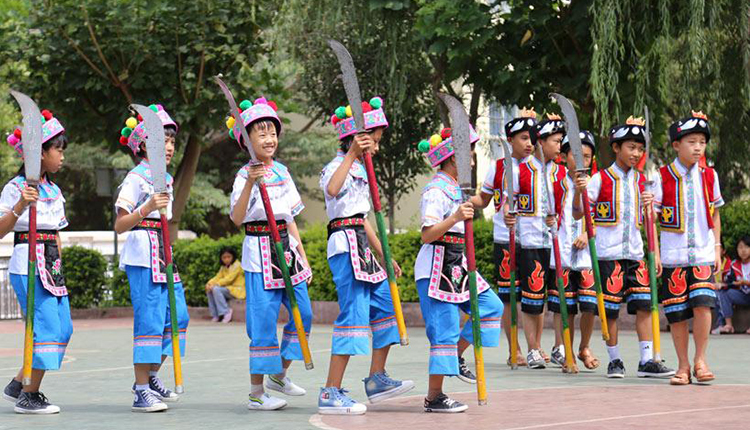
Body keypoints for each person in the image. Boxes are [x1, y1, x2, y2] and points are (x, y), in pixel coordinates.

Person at [318, 97, 413, 415]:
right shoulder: (336, 166)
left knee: (386, 305)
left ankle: (376, 379)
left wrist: (384, 255)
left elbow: (362, 219)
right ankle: (330, 391)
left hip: (362, 246)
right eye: (375, 139)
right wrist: (351, 154)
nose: (377, 145)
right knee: (354, 315)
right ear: (357, 138)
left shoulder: (361, 169)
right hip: (345, 246)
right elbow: (332, 190)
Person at [227, 97, 313, 411]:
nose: (269, 139)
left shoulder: (283, 172)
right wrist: (251, 183)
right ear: (247, 140)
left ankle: (279, 374)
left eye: (273, 133)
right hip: (259, 251)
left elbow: (290, 219)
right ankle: (256, 392)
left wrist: (303, 256)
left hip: (287, 252)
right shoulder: (243, 176)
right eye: (261, 133)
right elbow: (237, 218)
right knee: (263, 323)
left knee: (304, 314)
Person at [415, 127, 504, 412]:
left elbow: (483, 199)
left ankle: (455, 354)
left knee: (490, 306)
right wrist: (455, 217)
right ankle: (434, 397)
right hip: (435, 265)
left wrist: (504, 191)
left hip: (458, 262)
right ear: (454, 158)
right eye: (469, 154)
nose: (473, 160)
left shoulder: (457, 188)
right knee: (444, 329)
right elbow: (427, 235)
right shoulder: (435, 190)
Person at [114, 104, 189, 412]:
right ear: (144, 145)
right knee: (149, 320)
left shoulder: (166, 179)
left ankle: (152, 376)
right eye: (163, 141)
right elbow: (120, 224)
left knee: (178, 317)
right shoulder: (135, 178)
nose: (169, 147)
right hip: (142, 254)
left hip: (163, 253)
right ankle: (141, 389)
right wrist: (145, 208)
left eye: (172, 142)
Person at [587, 116, 674, 379]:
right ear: (616, 148)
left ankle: (647, 360)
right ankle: (615, 360)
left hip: (636, 255)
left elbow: (650, 222)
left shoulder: (644, 182)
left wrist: (655, 254)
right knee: (610, 311)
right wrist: (580, 195)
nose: (636, 153)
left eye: (640, 148)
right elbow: (580, 212)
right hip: (608, 255)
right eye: (631, 147)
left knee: (645, 305)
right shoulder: (599, 179)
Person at [1, 109, 71, 414]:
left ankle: (19, 383)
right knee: (47, 328)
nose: (62, 157)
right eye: (58, 150)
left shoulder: (54, 190)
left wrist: (60, 267)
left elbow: (55, 233)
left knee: (64, 328)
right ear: (40, 153)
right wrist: (20, 205)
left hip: (52, 266)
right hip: (27, 262)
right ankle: (29, 396)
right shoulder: (15, 188)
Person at [653, 111, 724, 385]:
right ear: (676, 145)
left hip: (702, 253)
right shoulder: (662, 177)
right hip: (674, 256)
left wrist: (716, 247)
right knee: (677, 313)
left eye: (702, 142)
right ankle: (683, 365)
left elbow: (715, 213)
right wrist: (655, 254)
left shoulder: (709, 175)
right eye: (691, 142)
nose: (697, 148)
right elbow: (651, 219)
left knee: (704, 305)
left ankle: (700, 360)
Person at [471, 108, 536, 367]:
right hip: (504, 238)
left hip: (534, 239)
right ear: (510, 140)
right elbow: (483, 200)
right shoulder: (497, 168)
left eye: (532, 138)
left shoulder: (539, 169)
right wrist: (461, 198)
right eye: (524, 138)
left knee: (535, 295)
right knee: (509, 296)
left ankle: (535, 347)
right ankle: (514, 348)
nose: (529, 143)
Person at [512, 114, 563, 369]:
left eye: (561, 141)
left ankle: (559, 347)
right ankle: (532, 348)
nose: (560, 146)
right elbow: (508, 204)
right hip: (530, 243)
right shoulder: (520, 170)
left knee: (557, 298)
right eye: (556, 141)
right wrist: (509, 215)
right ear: (540, 142)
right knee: (532, 300)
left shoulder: (562, 172)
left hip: (557, 245)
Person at [547, 131, 600, 372]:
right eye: (576, 156)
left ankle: (584, 346)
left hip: (588, 255)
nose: (581, 162)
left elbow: (603, 217)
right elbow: (547, 214)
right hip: (562, 253)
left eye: (586, 157)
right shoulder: (555, 183)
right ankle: (567, 353)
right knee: (564, 306)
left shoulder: (596, 183)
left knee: (589, 305)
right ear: (564, 156)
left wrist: (588, 233)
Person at [716, 235, 750, 334]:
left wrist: (746, 283)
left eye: (746, 247)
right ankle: (728, 325)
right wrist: (723, 284)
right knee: (724, 292)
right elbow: (729, 281)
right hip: (742, 294)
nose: (743, 250)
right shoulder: (734, 264)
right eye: (740, 247)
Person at [205, 247, 244, 323]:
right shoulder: (223, 267)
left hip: (237, 290)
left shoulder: (237, 265)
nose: (226, 259)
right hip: (228, 289)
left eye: (229, 257)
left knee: (216, 289)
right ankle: (215, 314)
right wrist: (209, 283)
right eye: (224, 257)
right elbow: (217, 277)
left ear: (233, 256)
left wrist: (216, 284)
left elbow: (229, 279)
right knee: (209, 290)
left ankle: (226, 311)